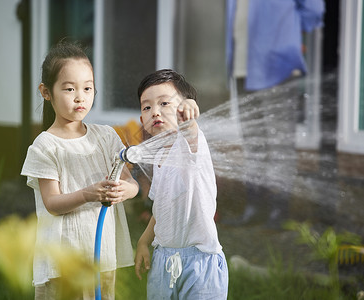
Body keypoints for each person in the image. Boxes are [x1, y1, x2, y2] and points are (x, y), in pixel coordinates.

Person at [21, 39, 139, 300]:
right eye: (69, 88)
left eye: (88, 88)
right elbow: (52, 202)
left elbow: (132, 183)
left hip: (101, 258)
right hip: (66, 263)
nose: (80, 97)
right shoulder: (45, 146)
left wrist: (124, 192)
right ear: (46, 91)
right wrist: (88, 194)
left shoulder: (106, 137)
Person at [224, 0, 325, 228]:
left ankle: (278, 211)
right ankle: (255, 208)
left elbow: (314, 9)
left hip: (277, 66)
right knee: (253, 143)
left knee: (279, 144)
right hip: (242, 69)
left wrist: (288, 36)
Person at [134, 69, 228, 299]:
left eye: (164, 103)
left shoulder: (191, 145)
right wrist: (144, 242)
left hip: (199, 263)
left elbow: (191, 131)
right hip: (163, 260)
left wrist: (189, 115)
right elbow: (160, 210)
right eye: (146, 107)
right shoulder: (158, 158)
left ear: (183, 109)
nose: (154, 111)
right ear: (141, 120)